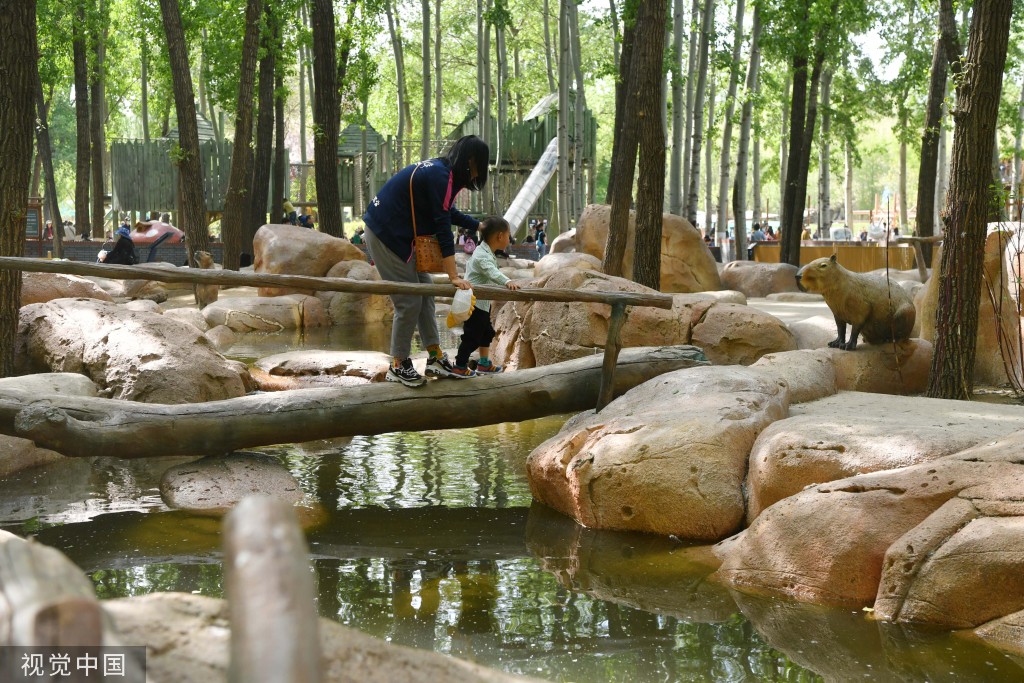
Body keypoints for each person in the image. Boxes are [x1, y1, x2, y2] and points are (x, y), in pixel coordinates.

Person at [362, 134, 488, 387]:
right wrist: (454, 276)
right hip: (386, 234)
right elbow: (443, 229)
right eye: (480, 166)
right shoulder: (440, 176)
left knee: (426, 294)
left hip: (398, 236)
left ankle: (435, 357)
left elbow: (445, 212)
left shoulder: (444, 174)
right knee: (409, 300)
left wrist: (477, 225)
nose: (478, 174)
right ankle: (398, 364)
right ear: (471, 161)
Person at [450, 216, 521, 376]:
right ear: (500, 236)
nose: (510, 239)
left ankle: (483, 364)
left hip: (481, 305)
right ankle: (460, 366)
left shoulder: (486, 251)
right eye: (508, 235)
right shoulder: (482, 255)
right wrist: (507, 281)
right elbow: (491, 272)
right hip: (474, 305)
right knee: (472, 337)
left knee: (486, 333)